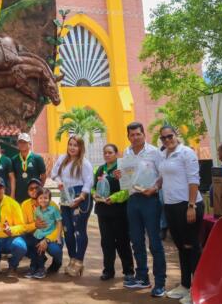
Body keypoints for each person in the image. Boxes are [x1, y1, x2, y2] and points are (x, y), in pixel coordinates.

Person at [115, 122, 167, 297]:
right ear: (128, 136)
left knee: (154, 242)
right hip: (133, 200)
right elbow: (126, 175)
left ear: (144, 134)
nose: (135, 137)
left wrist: (155, 188)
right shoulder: (126, 153)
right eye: (132, 135)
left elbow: (163, 175)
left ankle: (160, 282)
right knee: (136, 241)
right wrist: (119, 175)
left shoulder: (154, 152)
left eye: (138, 134)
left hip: (150, 199)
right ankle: (142, 277)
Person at [158, 126, 204, 304]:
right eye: (163, 138)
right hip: (170, 206)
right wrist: (155, 186)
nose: (167, 140)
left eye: (170, 136)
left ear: (176, 136)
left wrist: (191, 206)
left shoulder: (186, 153)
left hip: (187, 205)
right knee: (181, 247)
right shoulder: (163, 154)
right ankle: (185, 285)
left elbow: (194, 180)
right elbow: (164, 177)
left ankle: (198, 288)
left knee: (191, 247)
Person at [50, 134, 94, 277]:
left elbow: (89, 182)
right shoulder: (62, 159)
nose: (72, 147)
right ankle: (72, 259)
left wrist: (81, 197)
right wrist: (59, 182)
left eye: (75, 145)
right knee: (67, 231)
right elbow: (53, 173)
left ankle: (79, 261)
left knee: (79, 231)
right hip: (65, 196)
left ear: (80, 147)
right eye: (70, 144)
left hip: (80, 197)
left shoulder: (84, 163)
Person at [93, 143, 134, 282]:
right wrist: (95, 195)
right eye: (105, 152)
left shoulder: (121, 169)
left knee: (122, 241)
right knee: (107, 242)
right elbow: (93, 188)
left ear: (116, 154)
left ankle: (128, 271)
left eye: (110, 152)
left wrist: (114, 198)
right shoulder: (99, 169)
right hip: (103, 211)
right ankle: (108, 270)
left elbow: (127, 189)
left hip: (119, 211)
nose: (107, 155)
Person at [21, 179, 62, 279]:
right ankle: (35, 266)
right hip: (37, 234)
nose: (34, 190)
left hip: (51, 235)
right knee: (26, 243)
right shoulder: (26, 205)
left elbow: (58, 224)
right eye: (31, 189)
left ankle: (56, 263)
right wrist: (35, 225)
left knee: (55, 250)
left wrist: (47, 239)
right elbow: (24, 226)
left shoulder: (52, 205)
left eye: (37, 188)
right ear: (28, 192)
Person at [12, 133, 46, 203]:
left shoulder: (37, 158)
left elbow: (43, 175)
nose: (22, 144)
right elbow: (13, 178)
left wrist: (40, 189)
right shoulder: (14, 159)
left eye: (25, 142)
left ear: (30, 144)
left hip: (34, 192)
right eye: (20, 142)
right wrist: (13, 194)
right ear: (17, 144)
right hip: (19, 193)